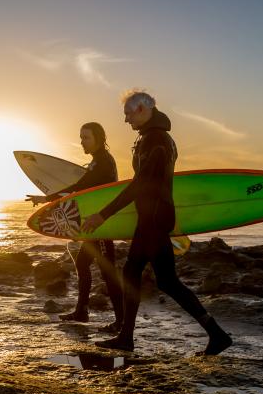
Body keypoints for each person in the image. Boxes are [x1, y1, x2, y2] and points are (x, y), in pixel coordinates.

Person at [81, 90, 232, 355]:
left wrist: (103, 215)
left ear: (142, 109)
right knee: (155, 278)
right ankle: (213, 334)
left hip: (153, 219)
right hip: (153, 218)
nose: (126, 120)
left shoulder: (157, 140)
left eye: (128, 114)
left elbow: (141, 184)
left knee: (157, 279)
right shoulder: (152, 137)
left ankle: (212, 334)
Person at [27, 122, 123, 332]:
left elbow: (77, 189)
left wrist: (46, 199)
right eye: (81, 138)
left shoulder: (103, 162)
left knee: (108, 273)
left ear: (99, 138)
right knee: (82, 264)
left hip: (101, 225)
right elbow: (79, 188)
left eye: (86, 137)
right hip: (93, 225)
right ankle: (82, 311)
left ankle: (121, 322)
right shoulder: (96, 162)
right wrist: (47, 199)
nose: (82, 142)